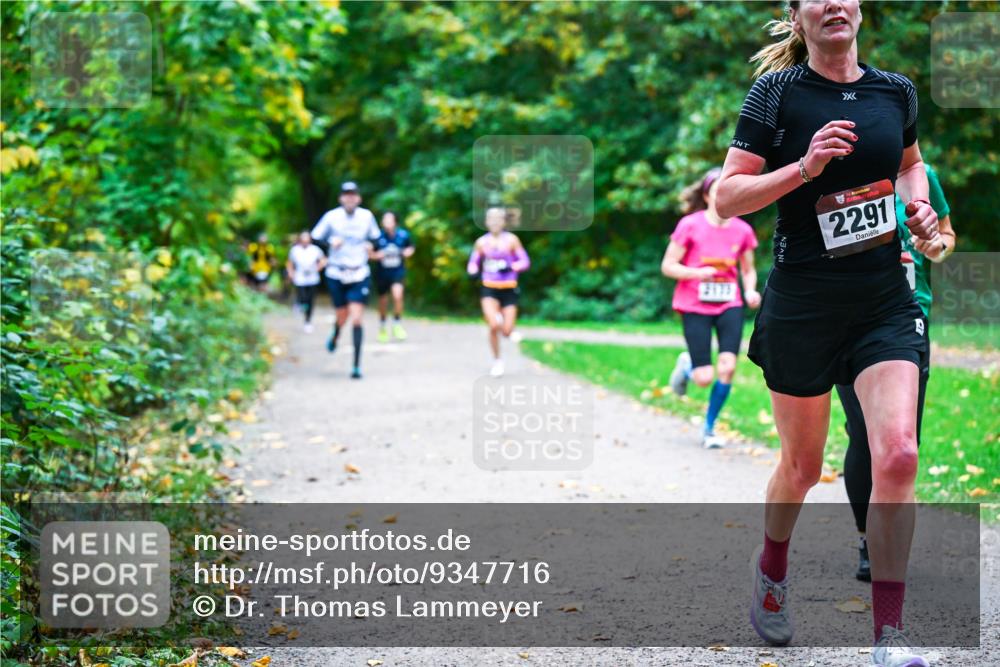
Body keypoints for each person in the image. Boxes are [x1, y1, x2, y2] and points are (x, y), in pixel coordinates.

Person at [716, 2, 941, 664]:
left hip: (881, 301)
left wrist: (918, 207)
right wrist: (804, 169)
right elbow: (727, 198)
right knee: (803, 466)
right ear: (798, 15)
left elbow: (909, 164)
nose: (833, 3)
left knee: (898, 453)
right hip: (804, 303)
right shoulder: (776, 93)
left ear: (860, 9)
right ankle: (773, 568)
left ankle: (888, 638)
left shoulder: (894, 90)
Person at [837, 163, 955, 581]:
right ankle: (869, 538)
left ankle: (887, 540)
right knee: (863, 434)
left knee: (903, 443)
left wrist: (934, 245)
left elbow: (945, 236)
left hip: (909, 314)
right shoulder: (835, 176)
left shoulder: (922, 175)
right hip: (849, 316)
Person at [663, 167, 761, 449]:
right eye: (717, 191)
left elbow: (748, 270)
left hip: (729, 303)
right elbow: (668, 266)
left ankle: (709, 427)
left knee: (728, 368)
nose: (723, 198)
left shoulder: (742, 230)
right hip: (694, 304)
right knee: (704, 378)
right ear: (706, 196)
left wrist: (751, 290)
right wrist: (697, 273)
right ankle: (688, 364)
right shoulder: (690, 225)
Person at [311, 181, 382, 379]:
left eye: (353, 194)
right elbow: (315, 237)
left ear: (358, 198)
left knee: (357, 317)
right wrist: (329, 242)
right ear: (341, 198)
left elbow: (376, 238)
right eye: (346, 194)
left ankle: (356, 366)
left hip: (359, 271)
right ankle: (335, 333)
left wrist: (370, 245)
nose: (349, 198)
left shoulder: (366, 216)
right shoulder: (331, 217)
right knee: (342, 314)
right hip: (336, 272)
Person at [467, 207, 530, 377]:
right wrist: (472, 270)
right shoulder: (482, 242)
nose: (494, 222)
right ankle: (497, 361)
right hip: (489, 288)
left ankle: (506, 326)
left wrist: (511, 266)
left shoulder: (511, 240)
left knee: (507, 331)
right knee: (494, 325)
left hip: (509, 288)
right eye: (491, 218)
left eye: (498, 218)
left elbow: (525, 261)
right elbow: (473, 261)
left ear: (503, 221)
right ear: (486, 222)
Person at [372, 211, 415, 343]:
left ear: (395, 221)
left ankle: (397, 323)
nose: (386, 222)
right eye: (384, 219)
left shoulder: (403, 235)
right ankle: (383, 326)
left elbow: (411, 247)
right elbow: (369, 253)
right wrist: (376, 255)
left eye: (389, 219)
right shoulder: (377, 236)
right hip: (382, 273)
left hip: (397, 271)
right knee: (383, 301)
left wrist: (407, 253)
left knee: (398, 296)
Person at [286, 231, 326, 333]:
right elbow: (290, 263)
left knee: (310, 300)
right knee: (303, 297)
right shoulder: (295, 250)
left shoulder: (315, 250)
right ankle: (299, 304)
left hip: (312, 278)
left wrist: (317, 268)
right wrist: (291, 273)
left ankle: (308, 321)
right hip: (300, 278)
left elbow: (323, 260)